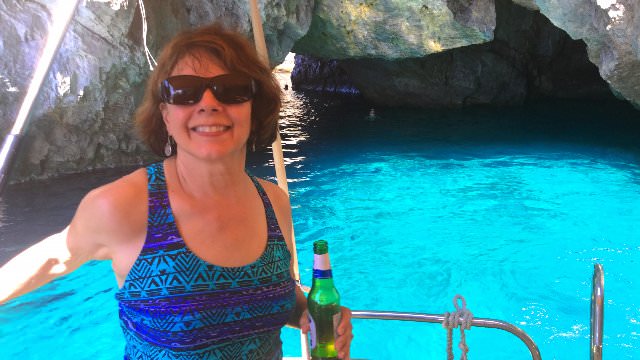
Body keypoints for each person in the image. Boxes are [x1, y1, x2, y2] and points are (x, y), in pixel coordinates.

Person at [0, 24, 353, 359]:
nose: (209, 103)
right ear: (165, 114)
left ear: (254, 107)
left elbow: (274, 296)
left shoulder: (273, 201)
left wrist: (313, 312)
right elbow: (55, 256)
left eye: (231, 89)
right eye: (185, 90)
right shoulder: (123, 205)